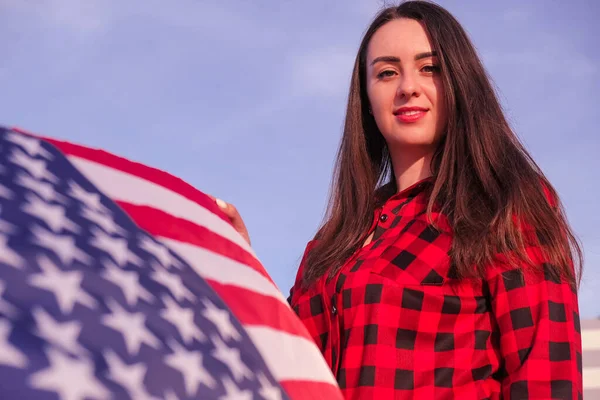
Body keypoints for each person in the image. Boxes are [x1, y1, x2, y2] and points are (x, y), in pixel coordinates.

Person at [217, 1, 584, 398]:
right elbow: (286, 369)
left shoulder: (503, 206)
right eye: (387, 73)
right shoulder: (332, 242)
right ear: (367, 99)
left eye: (430, 68)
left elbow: (546, 379)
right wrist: (243, 268)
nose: (408, 86)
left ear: (460, 82)